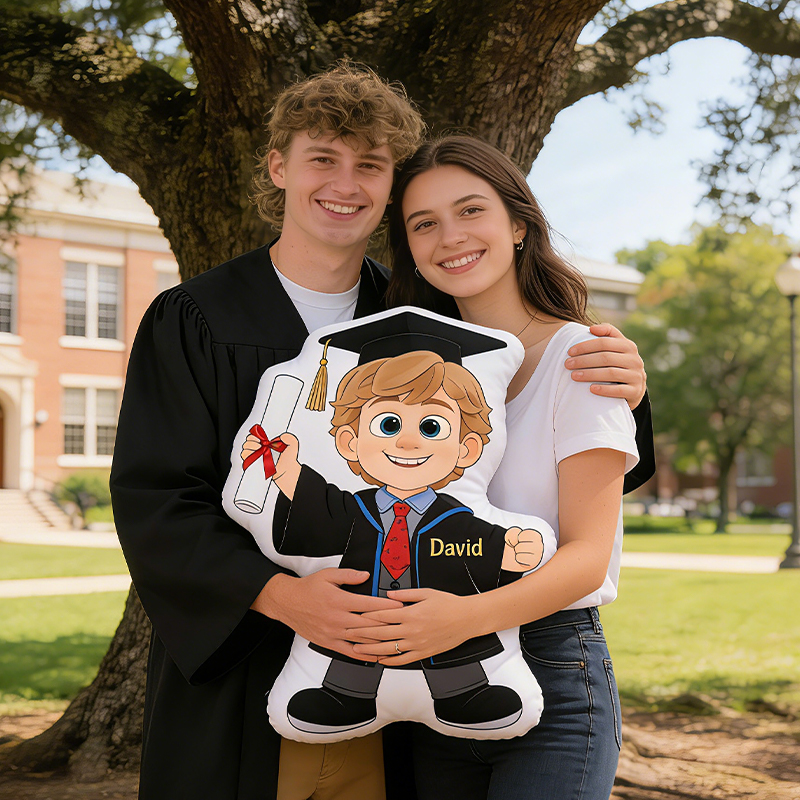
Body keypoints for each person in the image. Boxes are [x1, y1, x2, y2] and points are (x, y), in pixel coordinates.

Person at [110, 62, 651, 799]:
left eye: (369, 165)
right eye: (321, 159)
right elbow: (156, 499)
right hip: (245, 662)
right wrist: (277, 594)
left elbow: (533, 452)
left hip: (410, 671)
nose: (344, 183)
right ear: (279, 168)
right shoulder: (197, 318)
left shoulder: (414, 319)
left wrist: (626, 387)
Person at [345, 134, 646, 800]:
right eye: (424, 224)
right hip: (432, 674)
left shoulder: (583, 358)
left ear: (517, 224)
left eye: (470, 210)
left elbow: (586, 558)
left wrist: (457, 620)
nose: (449, 236)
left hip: (551, 669)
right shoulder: (417, 385)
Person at [242, 331, 545, 735]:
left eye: (432, 426)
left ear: (467, 449)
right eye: (388, 423)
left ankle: (464, 693)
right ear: (350, 441)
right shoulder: (356, 511)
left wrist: (509, 551)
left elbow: (477, 540)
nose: (406, 441)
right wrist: (288, 473)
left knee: (453, 654)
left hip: (440, 625)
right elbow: (322, 511)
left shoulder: (452, 516)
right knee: (354, 652)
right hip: (363, 617)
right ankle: (344, 695)